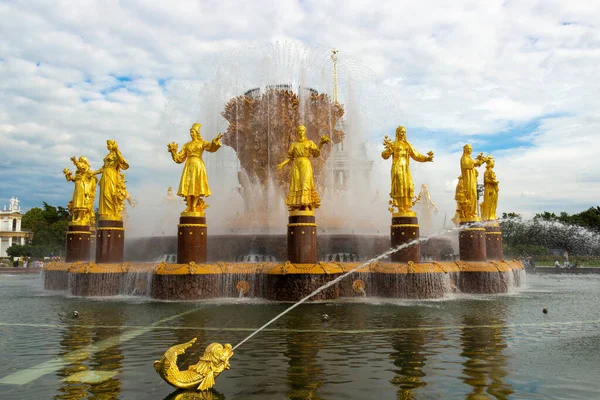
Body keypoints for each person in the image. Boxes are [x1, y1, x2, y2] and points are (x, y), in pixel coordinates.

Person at [168, 123, 223, 213]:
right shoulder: (186, 145)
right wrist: (173, 152)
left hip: (198, 165)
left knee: (197, 187)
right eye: (190, 132)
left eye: (193, 132)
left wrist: (215, 140)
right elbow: (180, 158)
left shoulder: (202, 143)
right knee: (188, 186)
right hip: (189, 165)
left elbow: (211, 148)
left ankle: (193, 207)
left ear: (197, 133)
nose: (191, 134)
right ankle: (189, 207)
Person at [381, 126, 434, 214]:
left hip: (405, 168)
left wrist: (426, 158)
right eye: (401, 132)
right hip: (397, 167)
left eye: (404, 132)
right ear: (397, 133)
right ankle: (400, 206)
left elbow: (416, 155)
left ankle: (407, 205)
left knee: (408, 186)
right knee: (400, 186)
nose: (403, 133)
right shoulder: (393, 144)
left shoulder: (408, 145)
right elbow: (384, 156)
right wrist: (389, 150)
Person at [277, 125, 330, 211]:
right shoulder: (294, 144)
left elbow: (315, 153)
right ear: (297, 132)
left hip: (305, 163)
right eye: (299, 131)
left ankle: (306, 203)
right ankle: (296, 204)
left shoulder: (309, 142)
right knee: (296, 183)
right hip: (296, 164)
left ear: (305, 132)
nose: (301, 132)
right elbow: (290, 157)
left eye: (302, 130)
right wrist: (282, 164)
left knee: (305, 183)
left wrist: (321, 143)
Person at [94, 140, 129, 218]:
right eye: (107, 144)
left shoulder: (117, 154)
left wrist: (116, 151)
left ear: (113, 145)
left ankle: (113, 212)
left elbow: (122, 162)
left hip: (112, 174)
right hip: (105, 175)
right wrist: (93, 173)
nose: (107, 146)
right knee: (103, 193)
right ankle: (106, 213)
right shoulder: (108, 155)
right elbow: (103, 168)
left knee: (109, 193)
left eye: (109, 144)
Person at [460, 144, 485, 218]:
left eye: (471, 149)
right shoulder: (464, 158)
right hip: (468, 179)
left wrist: (480, 161)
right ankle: (468, 213)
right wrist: (475, 163)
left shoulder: (469, 158)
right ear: (464, 149)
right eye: (468, 148)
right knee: (470, 194)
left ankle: (473, 213)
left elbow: (475, 164)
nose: (470, 150)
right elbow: (466, 165)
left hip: (472, 179)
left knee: (474, 194)